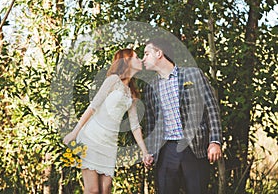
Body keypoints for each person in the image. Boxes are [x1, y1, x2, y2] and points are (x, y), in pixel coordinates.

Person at [63, 49, 152, 194]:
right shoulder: (113, 80)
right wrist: (74, 133)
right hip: (92, 138)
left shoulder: (132, 92)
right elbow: (93, 107)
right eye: (136, 57)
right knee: (92, 190)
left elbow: (135, 126)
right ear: (126, 61)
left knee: (106, 189)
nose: (140, 59)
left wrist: (145, 152)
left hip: (110, 144)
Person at [142, 38, 223, 194]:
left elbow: (211, 109)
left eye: (147, 53)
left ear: (159, 53)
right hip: (166, 151)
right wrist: (151, 152)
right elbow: (151, 124)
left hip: (194, 147)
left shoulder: (193, 74)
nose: (143, 58)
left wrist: (215, 141)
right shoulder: (150, 87)